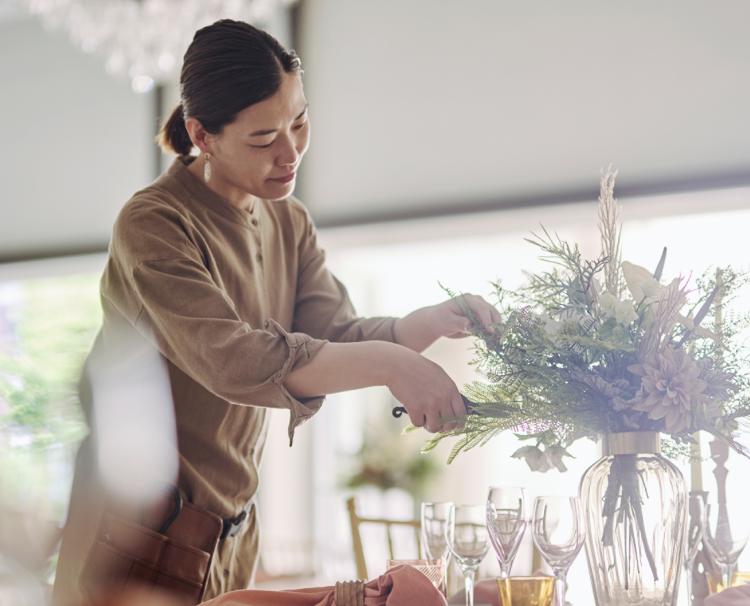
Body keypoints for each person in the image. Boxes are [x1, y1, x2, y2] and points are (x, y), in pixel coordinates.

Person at [52, 18, 501, 605]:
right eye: (263, 139)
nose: (290, 152)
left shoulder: (288, 222)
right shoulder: (155, 223)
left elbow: (333, 337)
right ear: (202, 135)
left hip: (232, 533)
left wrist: (424, 325)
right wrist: (392, 363)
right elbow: (235, 360)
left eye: (299, 121)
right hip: (136, 532)